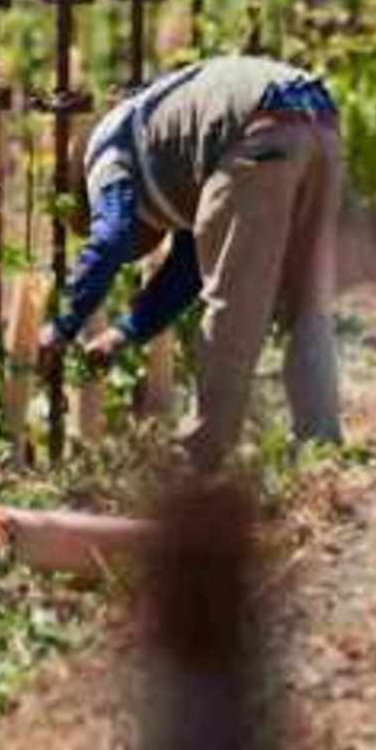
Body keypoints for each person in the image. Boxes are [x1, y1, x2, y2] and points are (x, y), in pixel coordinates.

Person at [41, 54, 346, 470]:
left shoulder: (105, 155)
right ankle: (321, 450)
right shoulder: (170, 156)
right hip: (319, 118)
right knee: (309, 303)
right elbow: (188, 270)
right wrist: (124, 332)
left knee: (234, 309)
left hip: (258, 132)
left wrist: (61, 325)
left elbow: (110, 237)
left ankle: (199, 460)